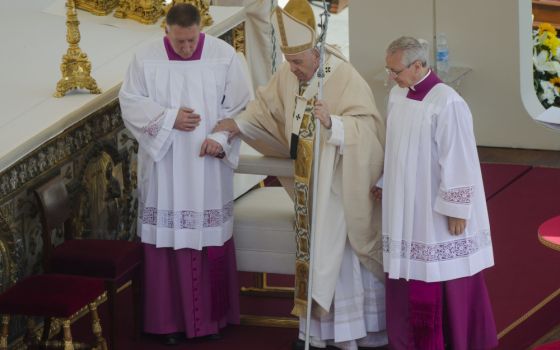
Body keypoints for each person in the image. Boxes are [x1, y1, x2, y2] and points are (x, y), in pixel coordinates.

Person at [214, 1, 387, 349]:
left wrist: (334, 124)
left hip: (338, 188)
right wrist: (238, 124)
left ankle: (352, 335)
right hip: (309, 188)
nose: (292, 69)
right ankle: (315, 334)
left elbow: (368, 128)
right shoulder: (288, 72)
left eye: (298, 62)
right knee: (313, 256)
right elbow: (265, 108)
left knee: (336, 262)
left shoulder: (343, 76)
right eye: (289, 61)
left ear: (316, 53)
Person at [119, 4, 251, 345]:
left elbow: (241, 107)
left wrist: (220, 138)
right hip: (165, 168)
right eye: (179, 41)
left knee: (207, 235)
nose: (186, 48)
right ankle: (167, 323)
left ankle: (211, 321)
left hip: (207, 167)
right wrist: (168, 119)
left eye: (191, 40)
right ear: (166, 30)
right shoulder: (145, 58)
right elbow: (130, 103)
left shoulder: (224, 56)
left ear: (200, 29)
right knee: (167, 236)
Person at [378, 36, 498, 350]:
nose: (392, 77)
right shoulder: (397, 95)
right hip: (405, 204)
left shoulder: (447, 102)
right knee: (408, 268)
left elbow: (460, 158)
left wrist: (457, 208)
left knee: (438, 270)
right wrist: (383, 182)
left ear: (418, 66)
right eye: (390, 70)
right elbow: (394, 149)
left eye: (397, 70)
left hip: (434, 209)